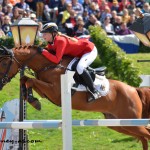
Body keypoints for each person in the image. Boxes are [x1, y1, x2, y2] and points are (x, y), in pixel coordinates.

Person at [37, 22, 101, 102]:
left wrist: (43, 51)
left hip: (89, 50)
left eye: (45, 33)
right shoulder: (51, 42)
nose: (43, 36)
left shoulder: (60, 41)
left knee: (80, 67)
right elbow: (49, 51)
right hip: (79, 53)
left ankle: (94, 91)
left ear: (52, 33)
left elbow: (57, 60)